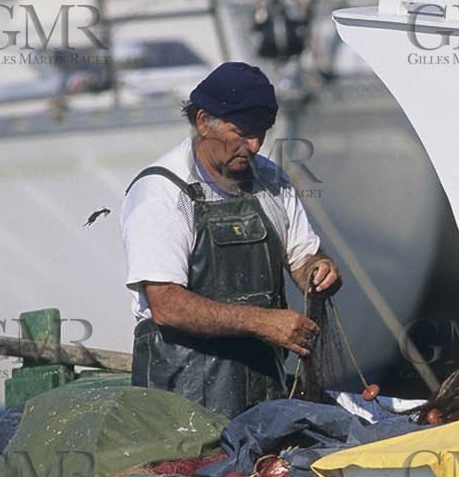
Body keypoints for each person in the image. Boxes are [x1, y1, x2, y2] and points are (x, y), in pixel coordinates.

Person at [119, 62, 341, 418]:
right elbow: (167, 305)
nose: (253, 146)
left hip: (264, 394)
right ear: (204, 121)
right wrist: (263, 323)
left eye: (261, 133)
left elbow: (303, 259)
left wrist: (320, 270)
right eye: (242, 133)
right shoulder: (161, 193)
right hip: (181, 404)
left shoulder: (272, 181)